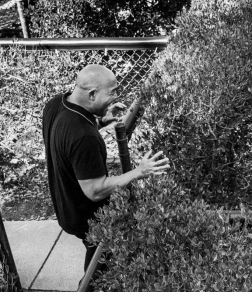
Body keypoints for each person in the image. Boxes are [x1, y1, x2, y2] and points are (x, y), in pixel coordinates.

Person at [42, 64, 169, 272]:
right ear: (92, 94)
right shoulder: (84, 136)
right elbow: (95, 190)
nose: (115, 97)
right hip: (89, 219)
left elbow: (67, 142)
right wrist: (140, 171)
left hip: (65, 206)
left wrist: (100, 121)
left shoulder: (56, 104)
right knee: (99, 271)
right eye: (111, 93)